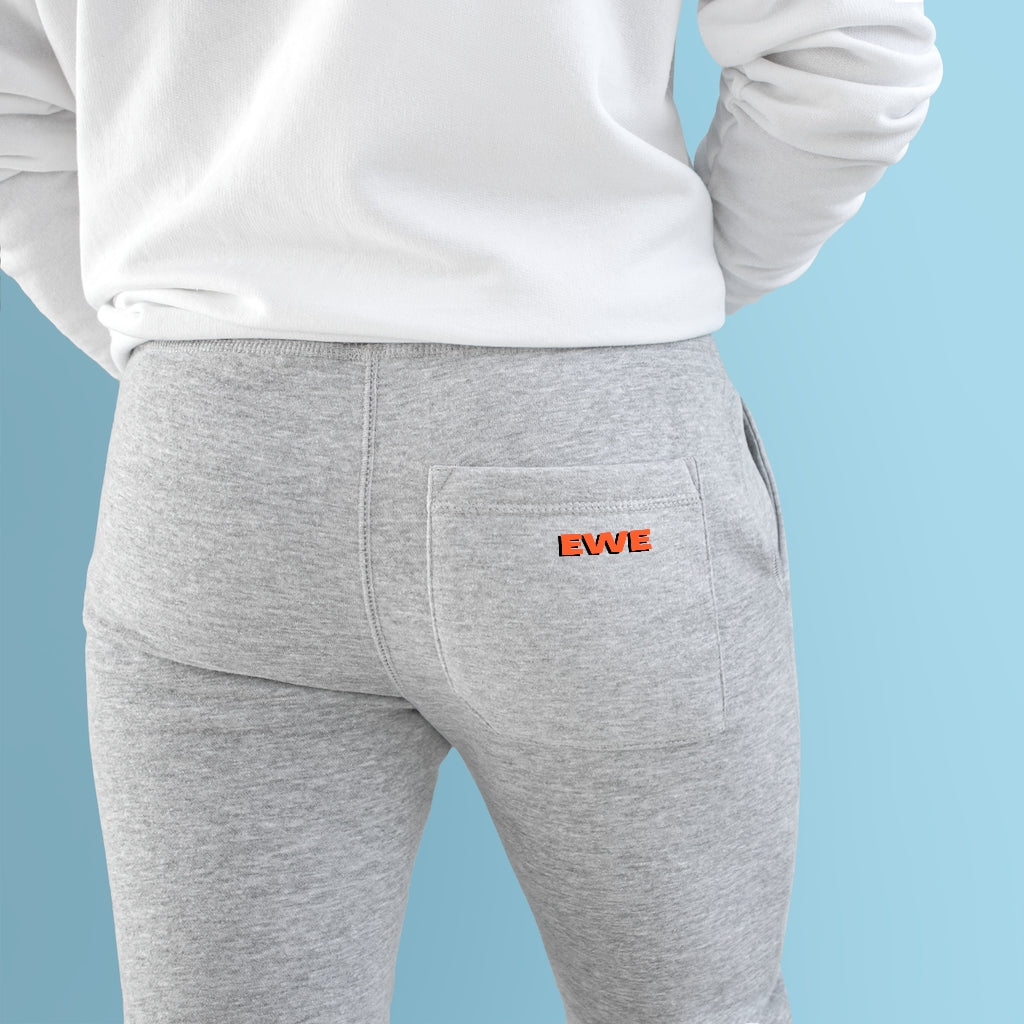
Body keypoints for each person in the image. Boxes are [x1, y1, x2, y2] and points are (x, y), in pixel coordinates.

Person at [0, 0, 942, 1019]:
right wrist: (645, 301)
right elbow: (851, 58)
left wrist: (180, 365)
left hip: (210, 469)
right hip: (585, 450)